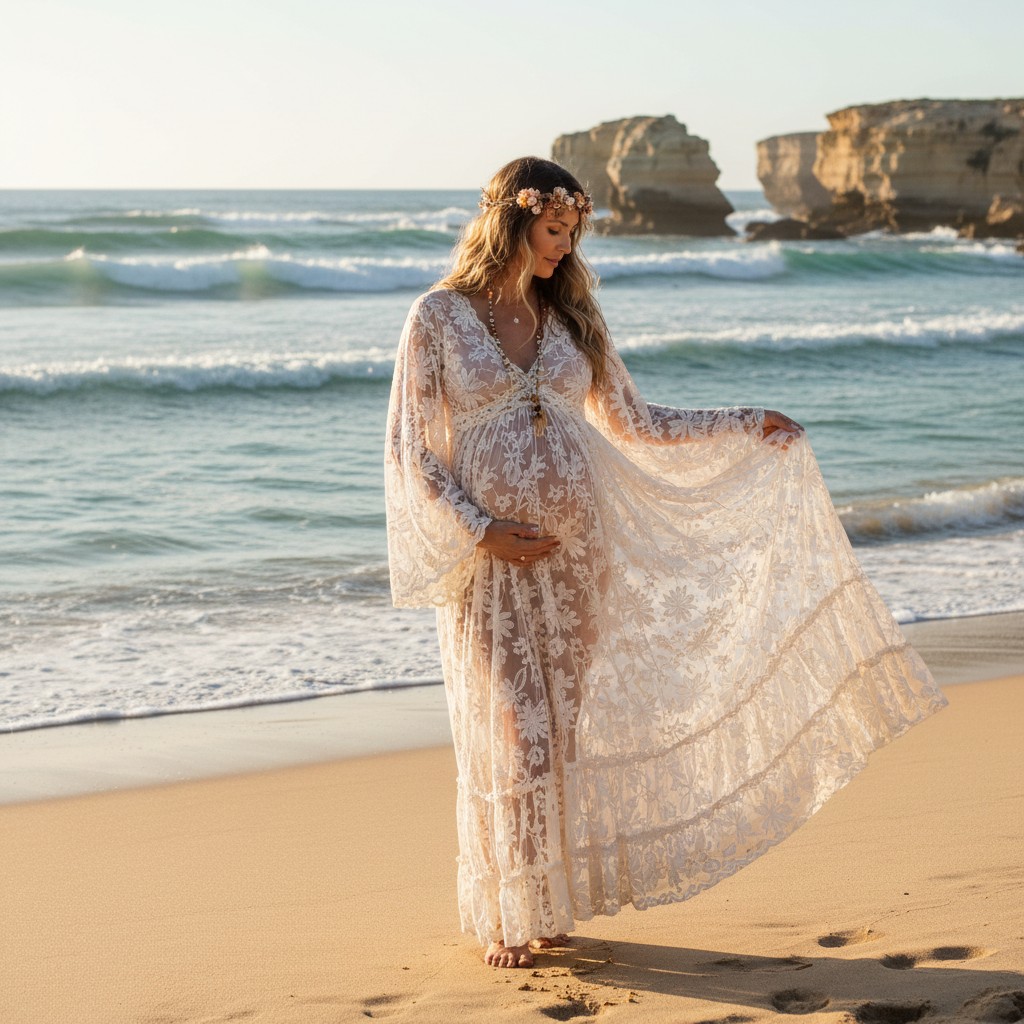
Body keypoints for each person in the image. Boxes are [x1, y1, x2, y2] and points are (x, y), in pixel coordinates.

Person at [384, 156, 947, 969]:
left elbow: (640, 424)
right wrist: (481, 529)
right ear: (512, 221)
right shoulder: (436, 318)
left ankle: (546, 907)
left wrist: (747, 421)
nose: (562, 248)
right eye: (552, 230)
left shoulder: (573, 315)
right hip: (493, 569)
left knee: (560, 739)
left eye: (572, 233)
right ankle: (509, 914)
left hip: (583, 557)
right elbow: (410, 453)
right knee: (517, 737)